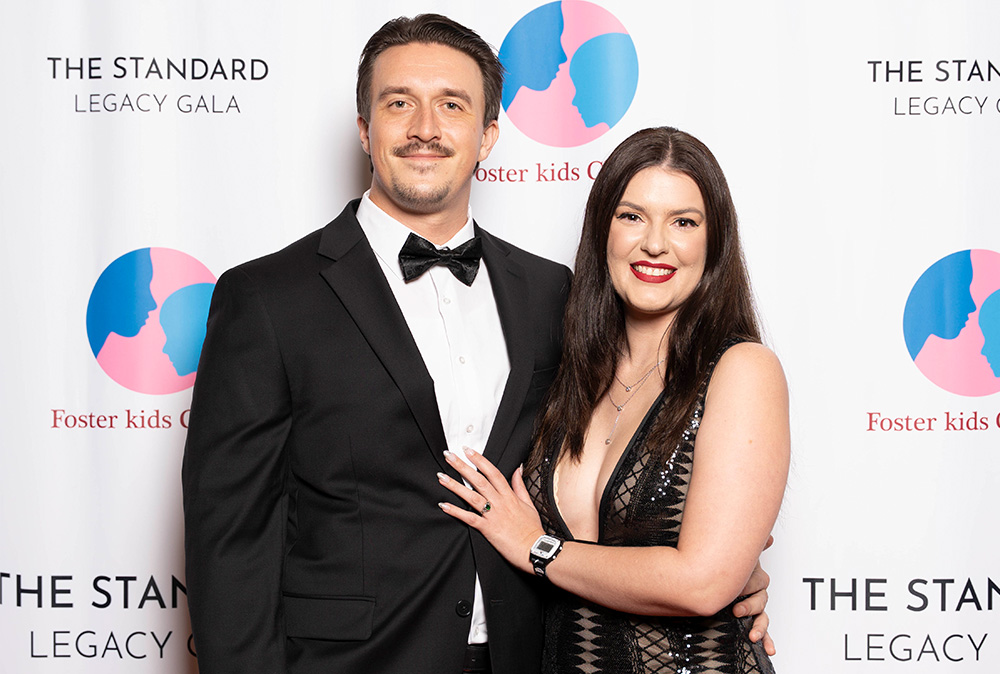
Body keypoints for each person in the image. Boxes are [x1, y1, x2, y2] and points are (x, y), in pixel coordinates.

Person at [182, 13, 771, 674]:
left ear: (488, 135)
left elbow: (638, 466)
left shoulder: (553, 294)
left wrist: (726, 567)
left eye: (452, 105)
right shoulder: (268, 298)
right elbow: (228, 533)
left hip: (533, 656)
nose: (425, 128)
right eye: (399, 103)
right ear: (364, 129)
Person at [438, 127, 789, 673]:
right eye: (632, 216)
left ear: (714, 242)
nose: (655, 243)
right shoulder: (566, 370)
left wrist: (538, 548)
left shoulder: (741, 370)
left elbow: (703, 584)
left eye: (684, 222)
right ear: (603, 229)